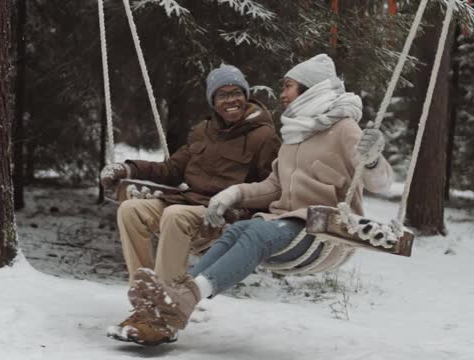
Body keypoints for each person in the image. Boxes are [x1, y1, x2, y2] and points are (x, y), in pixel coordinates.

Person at [122, 54, 394, 345]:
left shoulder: (344, 128)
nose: (283, 92)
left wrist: (373, 159)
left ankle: (184, 298)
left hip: (320, 230)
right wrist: (233, 194)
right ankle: (173, 298)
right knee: (240, 231)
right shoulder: (295, 134)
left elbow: (381, 183)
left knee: (254, 231)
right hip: (283, 223)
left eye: (288, 85)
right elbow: (273, 186)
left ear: (310, 88)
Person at [102, 64, 282, 344]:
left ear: (246, 95)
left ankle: (166, 313)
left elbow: (270, 189)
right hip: (190, 203)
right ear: (213, 100)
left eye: (236, 93)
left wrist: (241, 209)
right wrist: (128, 169)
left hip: (223, 218)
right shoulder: (203, 131)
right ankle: (145, 303)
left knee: (174, 215)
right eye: (223, 95)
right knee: (130, 210)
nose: (231, 100)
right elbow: (172, 170)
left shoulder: (264, 136)